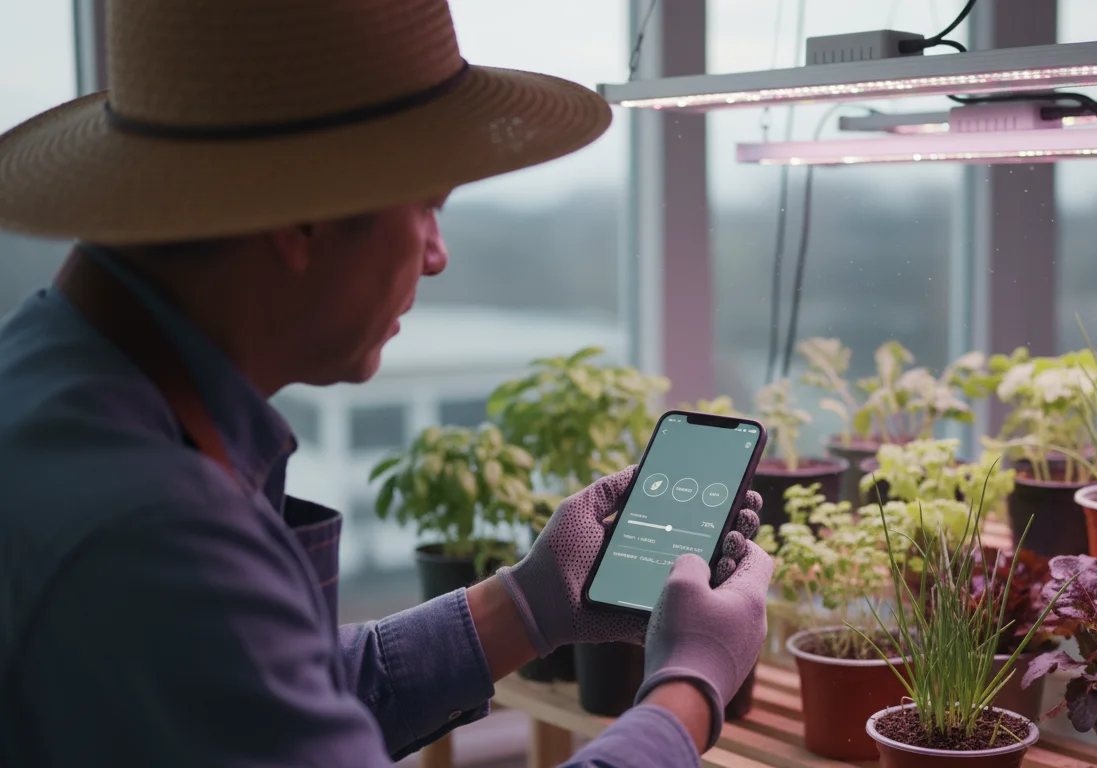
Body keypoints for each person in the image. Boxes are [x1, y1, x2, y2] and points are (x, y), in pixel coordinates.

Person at [0, 1, 772, 766]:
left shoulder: (51, 381)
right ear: (302, 217)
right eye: (428, 204)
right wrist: (690, 686)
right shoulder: (156, 533)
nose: (437, 256)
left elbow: (267, 698)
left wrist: (531, 604)